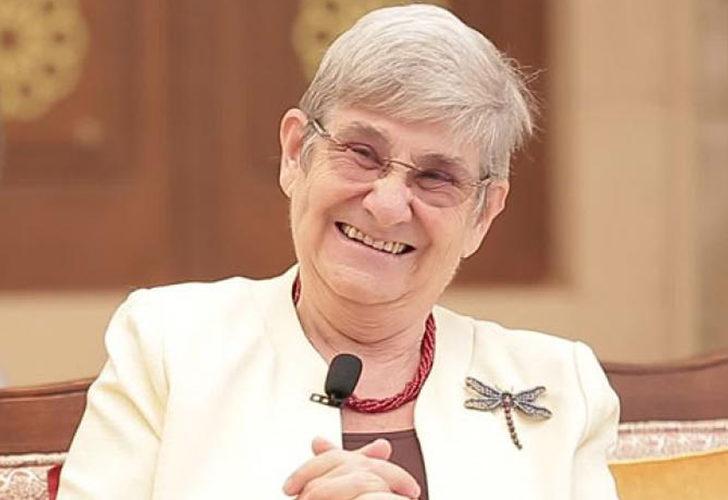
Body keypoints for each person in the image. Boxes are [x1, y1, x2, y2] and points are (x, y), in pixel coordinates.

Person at [58, 4, 619, 499]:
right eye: (362, 153)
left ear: (483, 214)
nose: (387, 205)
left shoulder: (562, 385)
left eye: (435, 177)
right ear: (295, 152)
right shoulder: (169, 345)